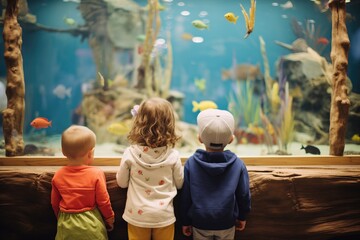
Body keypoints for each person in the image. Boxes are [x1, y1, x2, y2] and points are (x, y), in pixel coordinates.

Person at [116, 97, 184, 240]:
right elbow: (180, 184)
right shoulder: (173, 156)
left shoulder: (130, 153)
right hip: (164, 215)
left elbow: (121, 183)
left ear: (138, 122)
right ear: (169, 125)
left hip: (137, 215)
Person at [181, 109, 251, 240]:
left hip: (199, 222)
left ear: (199, 138)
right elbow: (244, 195)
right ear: (231, 139)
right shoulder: (238, 164)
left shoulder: (191, 163)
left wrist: (185, 221)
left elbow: (186, 197)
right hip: (226, 222)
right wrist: (242, 216)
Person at [51, 125, 115, 240]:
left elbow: (54, 203)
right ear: (90, 153)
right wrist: (109, 217)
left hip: (66, 225)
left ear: (63, 152)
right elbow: (103, 201)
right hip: (91, 224)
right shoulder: (96, 173)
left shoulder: (58, 175)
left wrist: (60, 218)